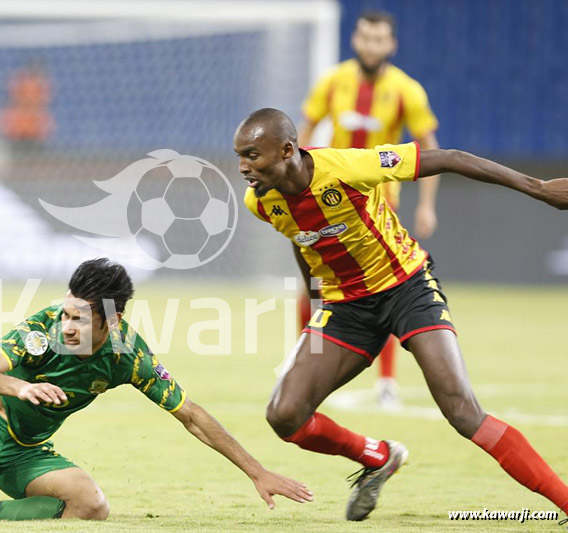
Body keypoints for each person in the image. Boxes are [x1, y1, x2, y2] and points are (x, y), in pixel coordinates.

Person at [234, 108, 568, 521]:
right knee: (284, 415)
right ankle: (378, 456)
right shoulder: (261, 201)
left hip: (407, 289)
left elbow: (450, 157)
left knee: (461, 410)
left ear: (287, 150)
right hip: (346, 308)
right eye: (240, 156)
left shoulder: (349, 166)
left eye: (251, 155)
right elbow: (302, 241)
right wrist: (317, 307)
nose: (243, 167)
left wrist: (537, 187)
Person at [0, 258, 312, 522]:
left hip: (25, 452)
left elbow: (192, 416)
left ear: (110, 320)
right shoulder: (44, 325)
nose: (67, 323)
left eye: (80, 318)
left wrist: (258, 471)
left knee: (91, 506)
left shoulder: (128, 357)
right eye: (67, 310)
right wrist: (17, 386)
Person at [298, 10, 441, 406]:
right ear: (355, 40)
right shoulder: (332, 82)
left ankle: (388, 382)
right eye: (365, 38)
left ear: (391, 45)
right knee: (313, 278)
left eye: (379, 40)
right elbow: (301, 139)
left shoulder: (406, 90)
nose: (371, 46)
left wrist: (427, 205)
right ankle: (305, 358)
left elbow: (430, 150)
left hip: (380, 205)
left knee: (382, 283)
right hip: (328, 201)